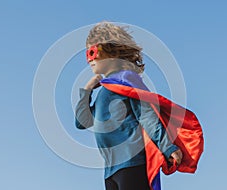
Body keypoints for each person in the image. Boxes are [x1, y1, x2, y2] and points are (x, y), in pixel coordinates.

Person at [75, 22, 183, 190]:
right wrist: (87, 91)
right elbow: (82, 122)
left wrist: (167, 147)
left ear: (112, 51)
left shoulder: (126, 80)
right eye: (86, 54)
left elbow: (147, 115)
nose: (90, 59)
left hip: (132, 164)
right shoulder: (107, 89)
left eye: (92, 52)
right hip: (111, 171)